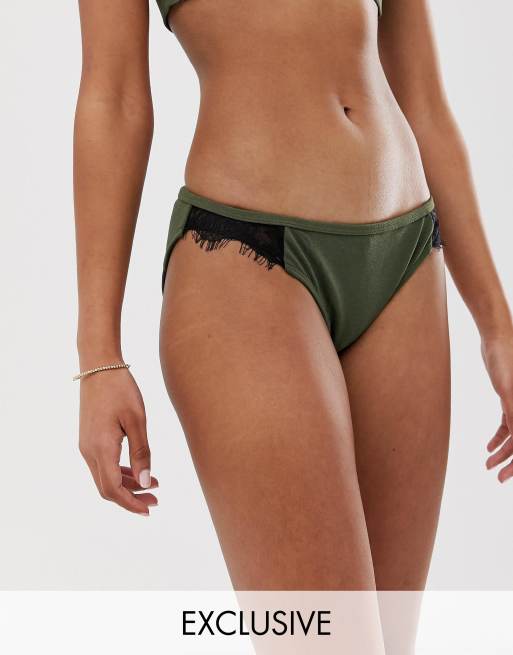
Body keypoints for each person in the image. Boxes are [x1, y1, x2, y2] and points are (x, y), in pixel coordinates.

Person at [74, 0, 513, 619]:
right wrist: (99, 356)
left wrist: (497, 327)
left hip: (406, 259)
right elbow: (113, 98)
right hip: (246, 261)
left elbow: (425, 102)